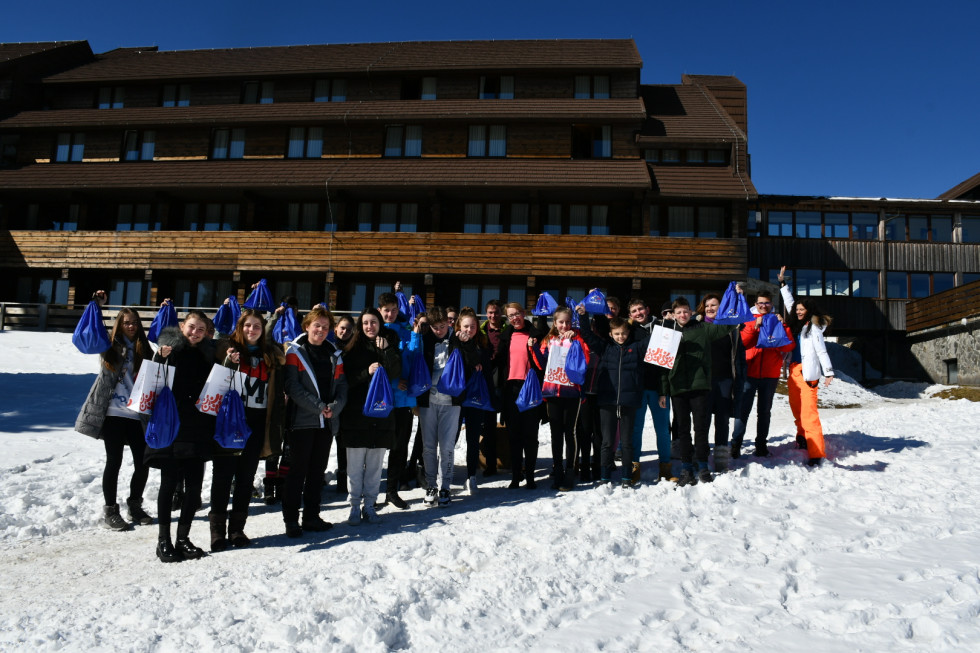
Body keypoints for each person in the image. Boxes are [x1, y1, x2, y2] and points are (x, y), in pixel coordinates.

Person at [74, 291, 154, 531]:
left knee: (143, 462)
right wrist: (96, 305)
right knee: (114, 461)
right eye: (126, 322)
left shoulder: (145, 348)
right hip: (113, 413)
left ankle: (135, 505)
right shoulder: (108, 346)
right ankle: (111, 509)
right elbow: (91, 331)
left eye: (134, 322)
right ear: (119, 325)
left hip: (137, 413)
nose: (130, 326)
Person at [210, 309, 286, 549]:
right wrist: (227, 363)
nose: (251, 330)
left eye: (256, 326)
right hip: (230, 421)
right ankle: (217, 532)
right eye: (247, 325)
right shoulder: (227, 351)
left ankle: (237, 530)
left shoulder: (270, 356)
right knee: (222, 477)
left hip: (256, 422)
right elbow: (215, 382)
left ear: (263, 330)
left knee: (245, 479)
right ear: (239, 327)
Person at [147, 310, 217, 562]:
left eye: (200, 329)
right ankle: (163, 541)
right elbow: (150, 381)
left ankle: (183, 538)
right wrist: (159, 358)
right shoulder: (169, 350)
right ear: (182, 326)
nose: (195, 333)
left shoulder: (207, 353)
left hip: (198, 426)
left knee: (194, 487)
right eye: (191, 327)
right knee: (169, 484)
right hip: (172, 425)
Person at [659, 296, 741, 486]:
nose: (683, 314)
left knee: (701, 428)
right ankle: (687, 467)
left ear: (691, 312)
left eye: (686, 311)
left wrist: (736, 301)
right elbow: (662, 367)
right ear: (673, 314)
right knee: (683, 430)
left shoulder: (703, 329)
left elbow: (727, 326)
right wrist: (664, 391)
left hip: (700, 387)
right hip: (678, 388)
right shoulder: (667, 334)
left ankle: (703, 465)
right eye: (678, 312)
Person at [281, 305, 347, 537]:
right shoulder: (295, 352)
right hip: (302, 421)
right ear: (307, 326)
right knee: (297, 471)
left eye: (325, 327)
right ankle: (291, 520)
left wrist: (335, 407)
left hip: (327, 422)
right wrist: (319, 407)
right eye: (316, 325)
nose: (320, 330)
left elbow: (341, 385)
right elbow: (292, 386)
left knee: (317, 471)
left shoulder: (334, 353)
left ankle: (311, 516)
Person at [416, 306, 482, 506]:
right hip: (429, 400)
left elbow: (474, 363)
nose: (439, 330)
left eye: (442, 326)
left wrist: (467, 344)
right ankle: (431, 485)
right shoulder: (425, 339)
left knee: (447, 446)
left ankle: (445, 486)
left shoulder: (457, 339)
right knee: (428, 446)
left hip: (452, 401)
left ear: (449, 323)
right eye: (435, 327)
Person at [341, 308, 402, 524]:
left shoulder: (388, 344)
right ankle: (354, 506)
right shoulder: (351, 348)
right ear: (360, 325)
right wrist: (366, 373)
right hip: (356, 415)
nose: (370, 327)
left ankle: (370, 505)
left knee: (375, 466)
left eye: (373, 322)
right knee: (355, 466)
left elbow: (396, 372)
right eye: (366, 323)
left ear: (380, 324)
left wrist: (387, 351)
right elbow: (345, 381)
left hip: (381, 414)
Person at [576, 307, 648, 486]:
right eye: (616, 334)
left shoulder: (636, 348)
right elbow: (586, 335)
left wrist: (667, 323)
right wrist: (583, 316)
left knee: (627, 442)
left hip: (629, 401)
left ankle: (626, 477)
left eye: (623, 333)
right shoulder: (605, 348)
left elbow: (653, 341)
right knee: (607, 442)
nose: (620, 337)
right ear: (610, 334)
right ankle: (605, 476)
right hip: (607, 400)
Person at [530, 305, 591, 491]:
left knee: (570, 433)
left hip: (571, 392)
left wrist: (576, 340)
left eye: (567, 322)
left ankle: (570, 472)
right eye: (560, 322)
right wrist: (533, 348)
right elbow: (542, 364)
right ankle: (557, 472)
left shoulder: (578, 338)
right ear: (555, 323)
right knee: (556, 435)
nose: (564, 325)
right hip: (552, 392)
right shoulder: (549, 341)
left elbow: (586, 361)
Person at [778, 267, 834, 467]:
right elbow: (791, 304)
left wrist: (828, 372)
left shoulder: (815, 327)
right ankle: (802, 436)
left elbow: (821, 351)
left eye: (803, 310)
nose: (799, 312)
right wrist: (783, 284)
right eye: (798, 310)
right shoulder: (796, 324)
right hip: (793, 371)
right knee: (797, 409)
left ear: (809, 311)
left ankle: (816, 452)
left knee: (809, 413)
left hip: (808, 373)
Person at [731, 290, 795, 458]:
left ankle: (761, 445)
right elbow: (742, 342)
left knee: (764, 412)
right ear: (755, 304)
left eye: (766, 303)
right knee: (742, 411)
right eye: (760, 303)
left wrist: (782, 327)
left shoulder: (778, 321)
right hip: (749, 373)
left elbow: (788, 346)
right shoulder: (749, 320)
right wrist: (755, 326)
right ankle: (735, 445)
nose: (763, 305)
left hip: (770, 374)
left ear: (771, 304)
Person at [497, 302, 548, 489]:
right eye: (510, 315)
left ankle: (531, 475)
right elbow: (498, 361)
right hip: (511, 389)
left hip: (531, 388)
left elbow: (543, 361)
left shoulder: (536, 334)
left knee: (530, 435)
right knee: (514, 435)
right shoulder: (506, 337)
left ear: (524, 313)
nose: (514, 318)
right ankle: (516, 475)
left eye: (517, 313)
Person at [696, 292, 746, 473]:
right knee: (703, 421)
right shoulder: (698, 327)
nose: (709, 308)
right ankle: (700, 458)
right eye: (707, 305)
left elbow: (739, 357)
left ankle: (721, 460)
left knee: (722, 420)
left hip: (725, 380)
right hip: (703, 382)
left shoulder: (731, 329)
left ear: (721, 308)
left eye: (714, 305)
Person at [378, 288, 416, 510]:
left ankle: (392, 489)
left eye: (393, 310)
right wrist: (395, 382)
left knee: (399, 446)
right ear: (380, 310)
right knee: (375, 448)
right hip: (381, 399)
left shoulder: (406, 332)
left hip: (402, 399)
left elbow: (411, 362)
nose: (390, 314)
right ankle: (371, 490)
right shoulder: (373, 331)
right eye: (386, 311)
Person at [627, 298, 671, 482]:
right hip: (637, 388)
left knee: (662, 429)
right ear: (630, 315)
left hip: (658, 388)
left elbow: (666, 361)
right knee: (635, 429)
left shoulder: (662, 328)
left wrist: (663, 390)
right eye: (634, 311)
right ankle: (634, 467)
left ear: (648, 309)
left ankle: (666, 467)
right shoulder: (629, 332)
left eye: (640, 309)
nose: (638, 313)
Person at [456, 310, 493, 493]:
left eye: (472, 326)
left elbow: (485, 371)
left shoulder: (483, 345)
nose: (469, 330)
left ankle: (471, 476)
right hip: (456, 398)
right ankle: (444, 475)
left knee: (472, 438)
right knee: (451, 438)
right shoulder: (454, 343)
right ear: (459, 327)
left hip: (476, 398)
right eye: (465, 326)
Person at [478, 299, 505, 476]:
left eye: (496, 312)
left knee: (509, 422)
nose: (493, 315)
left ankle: (513, 460)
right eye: (490, 312)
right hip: (486, 382)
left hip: (504, 381)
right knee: (488, 425)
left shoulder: (507, 330)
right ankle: (490, 464)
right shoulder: (480, 331)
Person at [331, 315, 355, 493]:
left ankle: (343, 476)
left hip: (348, 399)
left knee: (343, 441)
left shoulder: (354, 349)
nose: (345, 331)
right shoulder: (328, 347)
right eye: (342, 328)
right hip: (329, 398)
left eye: (348, 329)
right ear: (336, 329)